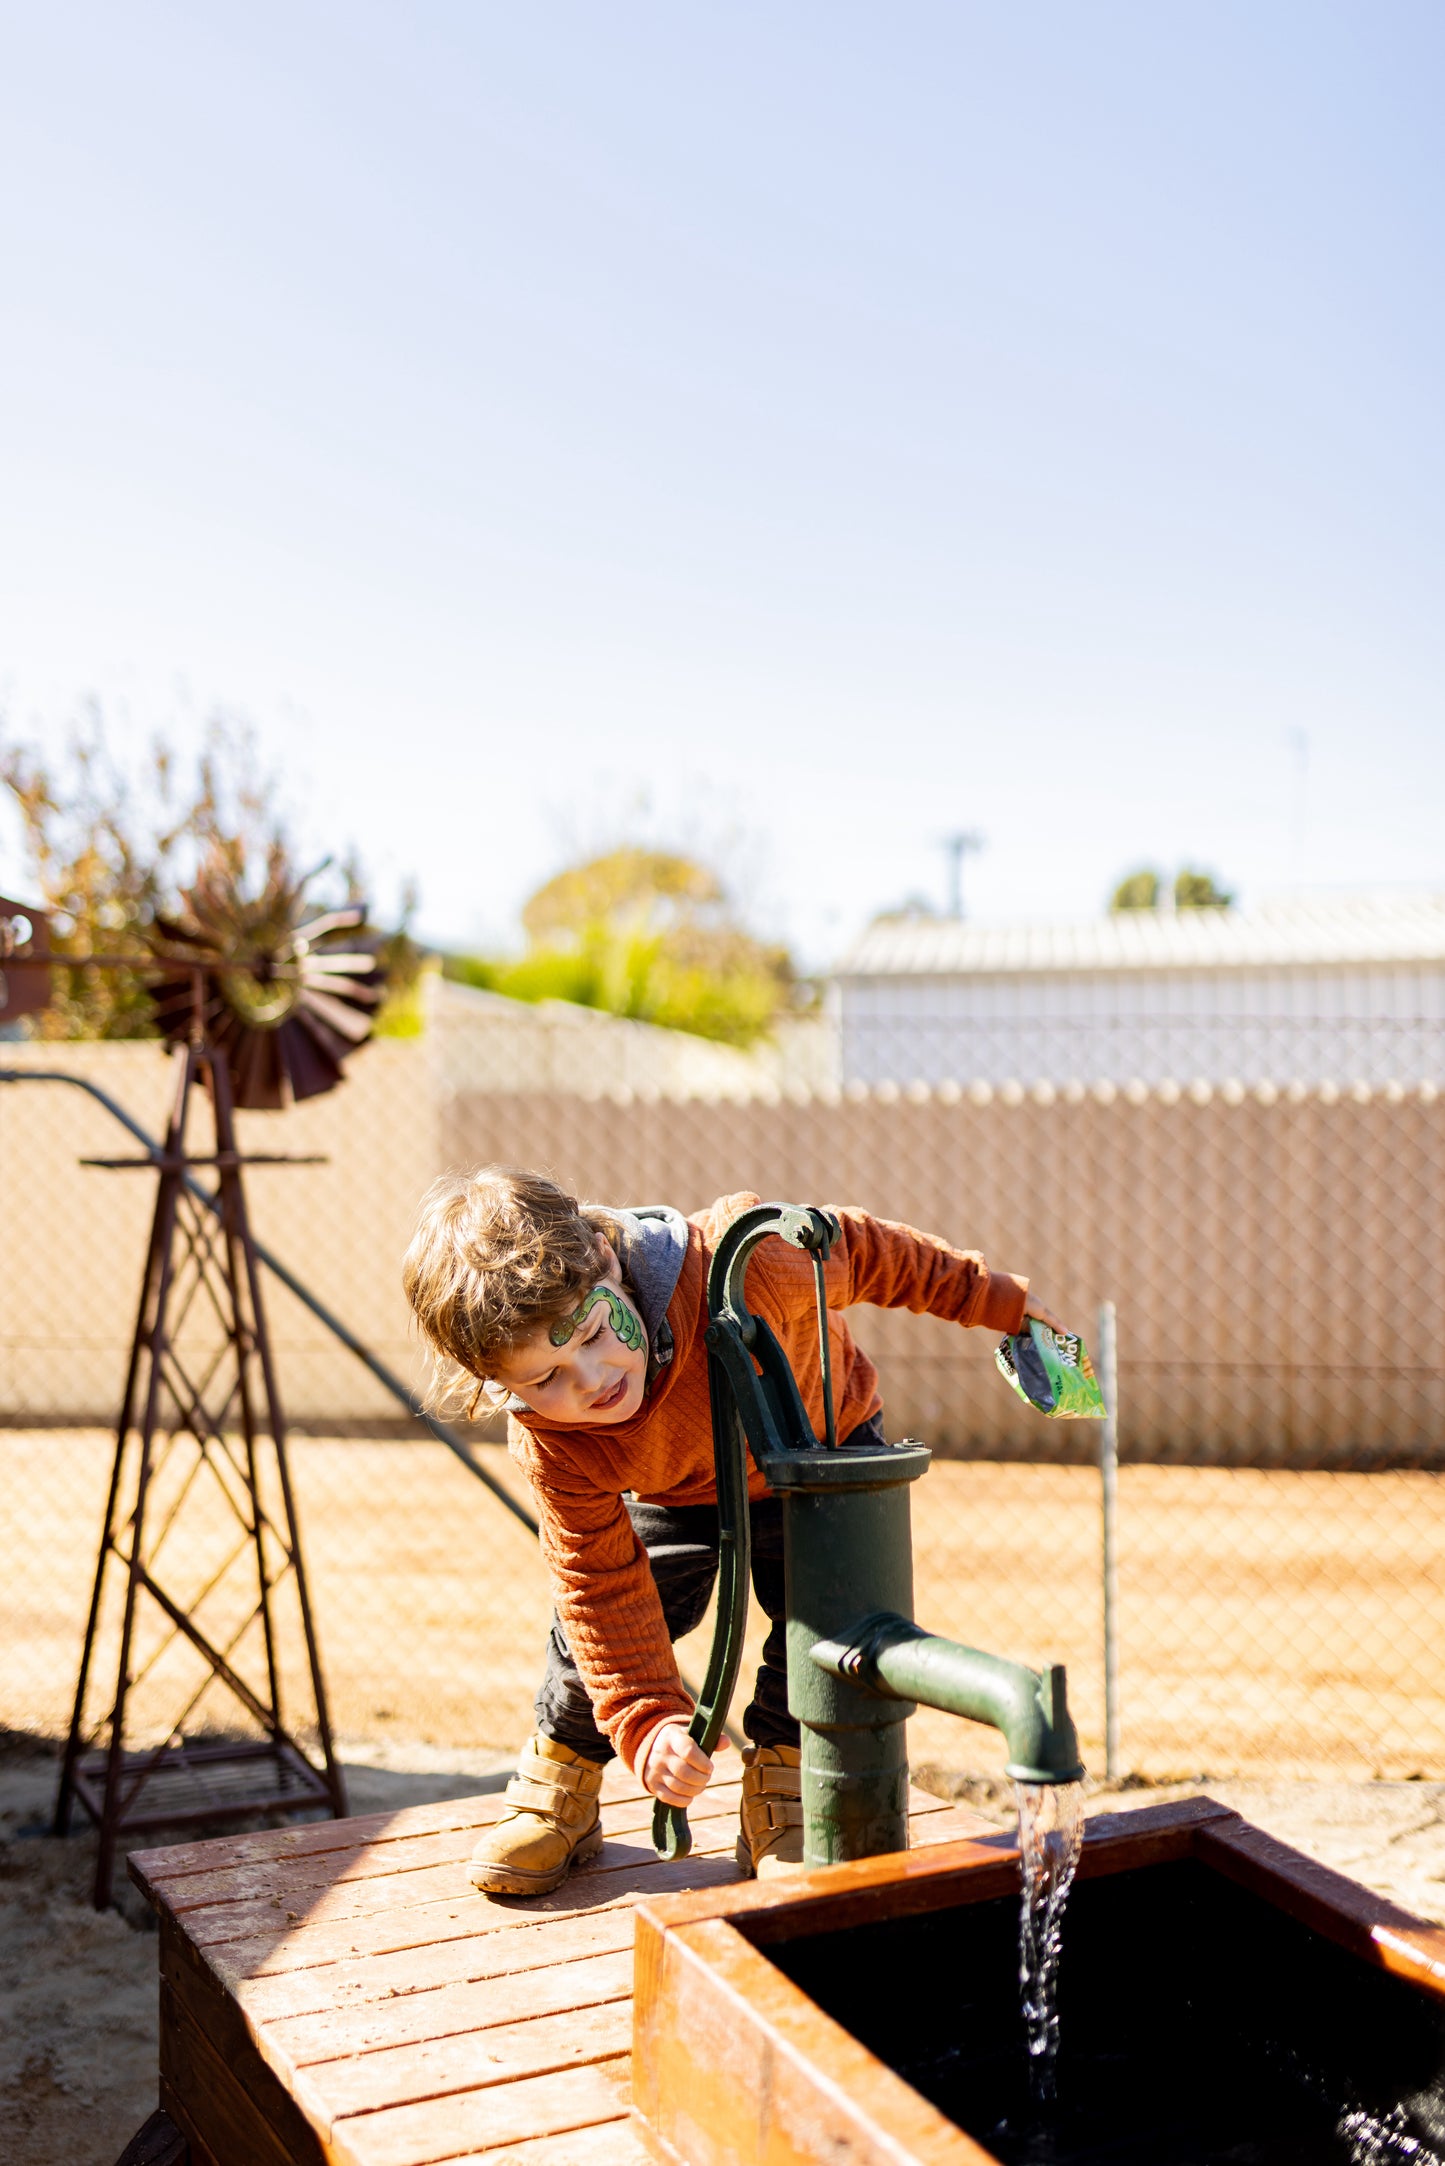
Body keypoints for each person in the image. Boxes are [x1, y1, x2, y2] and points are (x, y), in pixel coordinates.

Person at [402, 1167, 1060, 1895]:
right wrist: (648, 1720)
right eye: (542, 1378)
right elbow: (597, 1584)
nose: (587, 1380)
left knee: (821, 1624)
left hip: (816, 1445)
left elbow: (879, 1254)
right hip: (679, 1484)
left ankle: (779, 1793)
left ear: (606, 1255)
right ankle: (561, 1780)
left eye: (590, 1334)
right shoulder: (554, 1436)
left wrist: (1000, 1303)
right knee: (621, 1604)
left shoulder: (752, 1263)